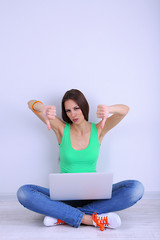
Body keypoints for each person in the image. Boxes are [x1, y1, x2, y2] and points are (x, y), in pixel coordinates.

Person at [17, 89, 144, 231]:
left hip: (94, 196)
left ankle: (63, 215)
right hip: (64, 197)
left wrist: (110, 109)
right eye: (68, 111)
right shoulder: (61, 129)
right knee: (24, 192)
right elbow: (30, 104)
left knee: (136, 188)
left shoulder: (99, 129)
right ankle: (88, 218)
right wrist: (42, 108)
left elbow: (125, 110)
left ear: (84, 106)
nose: (73, 114)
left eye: (76, 108)